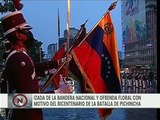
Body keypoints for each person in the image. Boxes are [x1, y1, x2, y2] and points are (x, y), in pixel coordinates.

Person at [1, 11, 73, 120]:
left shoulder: (19, 55)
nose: (30, 34)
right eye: (26, 31)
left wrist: (59, 62)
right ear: (18, 35)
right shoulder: (19, 59)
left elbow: (33, 67)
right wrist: (59, 92)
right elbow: (28, 100)